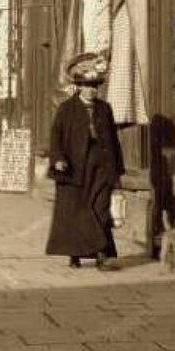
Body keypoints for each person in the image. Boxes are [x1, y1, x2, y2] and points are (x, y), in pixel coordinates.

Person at [46, 53, 125, 270]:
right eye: (87, 86)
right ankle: (75, 253)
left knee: (100, 207)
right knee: (78, 210)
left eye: (95, 86)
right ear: (79, 87)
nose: (92, 90)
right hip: (75, 167)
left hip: (101, 165)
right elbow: (55, 136)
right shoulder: (66, 109)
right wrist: (59, 159)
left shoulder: (104, 108)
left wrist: (117, 170)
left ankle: (101, 254)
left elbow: (113, 139)